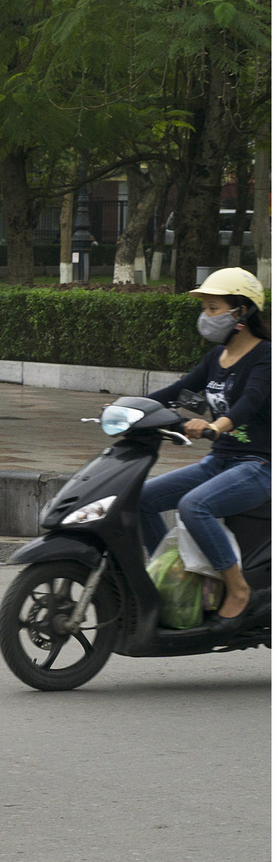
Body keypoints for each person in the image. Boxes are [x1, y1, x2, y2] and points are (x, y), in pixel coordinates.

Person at [139, 266, 271, 631]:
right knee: (141, 498)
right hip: (221, 461)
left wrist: (215, 426)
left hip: (260, 465)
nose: (206, 317)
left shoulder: (266, 356)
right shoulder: (216, 359)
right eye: (206, 309)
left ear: (241, 312)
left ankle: (238, 588)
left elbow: (251, 402)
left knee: (194, 505)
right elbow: (178, 392)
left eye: (213, 309)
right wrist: (129, 408)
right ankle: (174, 572)